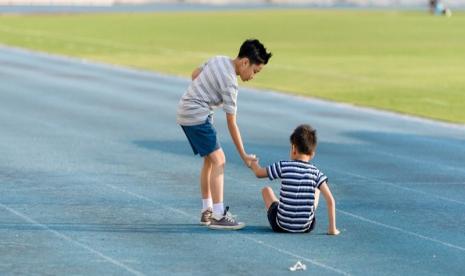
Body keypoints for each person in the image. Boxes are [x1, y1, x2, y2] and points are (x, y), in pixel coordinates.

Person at [176, 39, 272, 230]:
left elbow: (195, 74)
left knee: (210, 161)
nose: (253, 76)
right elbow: (231, 123)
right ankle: (219, 214)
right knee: (219, 160)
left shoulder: (218, 59)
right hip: (197, 114)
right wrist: (244, 155)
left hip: (186, 110)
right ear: (245, 62)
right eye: (255, 71)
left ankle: (207, 210)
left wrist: (205, 92)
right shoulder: (230, 84)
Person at [249, 124, 340, 234]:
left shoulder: (284, 165)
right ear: (312, 154)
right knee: (317, 189)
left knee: (266, 191)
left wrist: (253, 163)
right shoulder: (316, 173)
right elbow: (330, 200)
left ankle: (285, 208)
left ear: (293, 149)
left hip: (281, 225)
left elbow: (259, 173)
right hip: (306, 226)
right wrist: (332, 229)